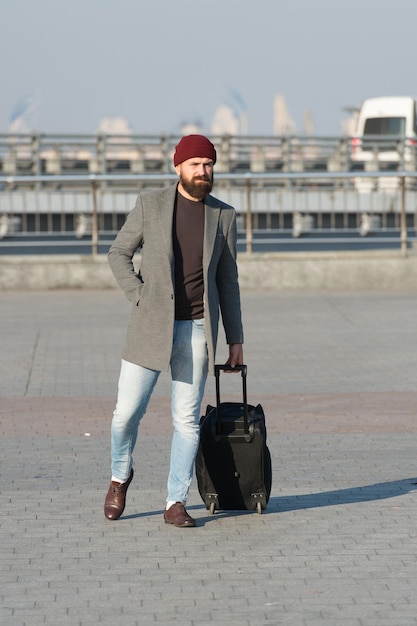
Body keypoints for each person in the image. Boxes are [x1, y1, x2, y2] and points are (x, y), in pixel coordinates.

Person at [104, 134, 244, 527]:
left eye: (209, 164)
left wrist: (235, 339)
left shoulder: (224, 215)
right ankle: (120, 476)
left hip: (198, 328)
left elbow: (228, 281)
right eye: (196, 163)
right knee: (125, 415)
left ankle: (175, 501)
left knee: (185, 420)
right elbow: (118, 253)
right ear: (178, 165)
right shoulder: (151, 204)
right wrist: (139, 295)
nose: (204, 171)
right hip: (150, 325)